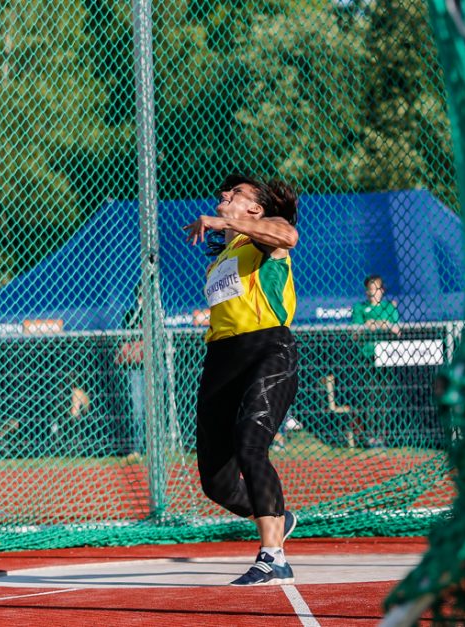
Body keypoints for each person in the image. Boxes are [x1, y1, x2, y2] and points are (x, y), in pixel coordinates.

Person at [183, 172, 300, 586]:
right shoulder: (224, 255)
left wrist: (228, 222)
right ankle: (278, 517)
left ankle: (273, 556)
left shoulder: (264, 239)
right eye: (224, 192)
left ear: (255, 208)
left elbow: (288, 235)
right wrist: (226, 228)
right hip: (220, 359)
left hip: (267, 349)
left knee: (252, 444)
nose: (224, 195)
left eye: (236, 194)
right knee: (215, 482)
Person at [351, 274, 400, 448]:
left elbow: (396, 329)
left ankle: (383, 435)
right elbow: (356, 333)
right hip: (367, 358)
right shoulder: (359, 308)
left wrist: (376, 323)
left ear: (382, 290)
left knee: (384, 398)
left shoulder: (389, 307)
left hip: (386, 359)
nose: (373, 293)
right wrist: (376, 324)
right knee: (370, 398)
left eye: (377, 289)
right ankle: (371, 437)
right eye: (370, 289)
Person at [115, 285, 146, 461]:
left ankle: (156, 447)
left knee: (154, 409)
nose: (143, 297)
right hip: (136, 367)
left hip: (154, 366)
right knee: (137, 409)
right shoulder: (130, 314)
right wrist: (139, 309)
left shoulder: (157, 312)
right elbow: (128, 334)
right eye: (141, 294)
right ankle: (137, 448)